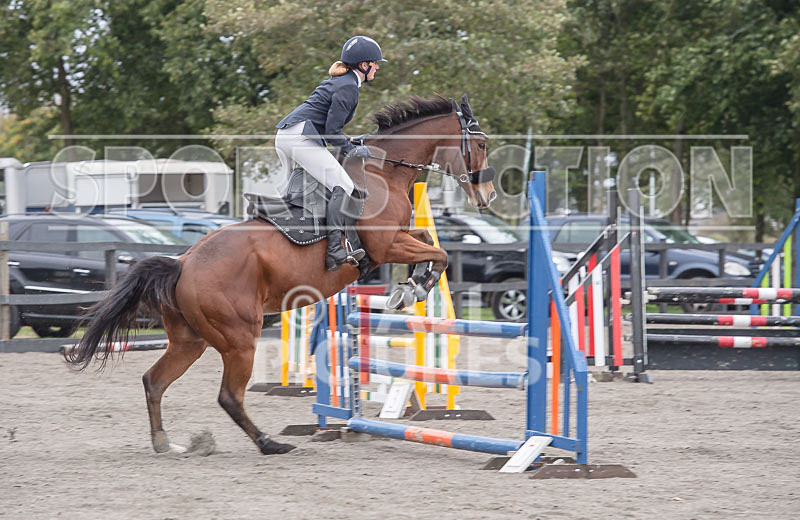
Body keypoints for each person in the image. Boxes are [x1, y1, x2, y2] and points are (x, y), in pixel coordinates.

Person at [275, 36, 387, 271]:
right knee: (344, 186)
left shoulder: (341, 82)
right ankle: (335, 249)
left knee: (288, 193)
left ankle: (285, 244)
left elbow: (329, 129)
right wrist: (352, 150)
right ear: (364, 65)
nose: (377, 67)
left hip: (286, 135)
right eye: (375, 63)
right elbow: (332, 130)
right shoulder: (348, 87)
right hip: (300, 138)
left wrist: (350, 141)